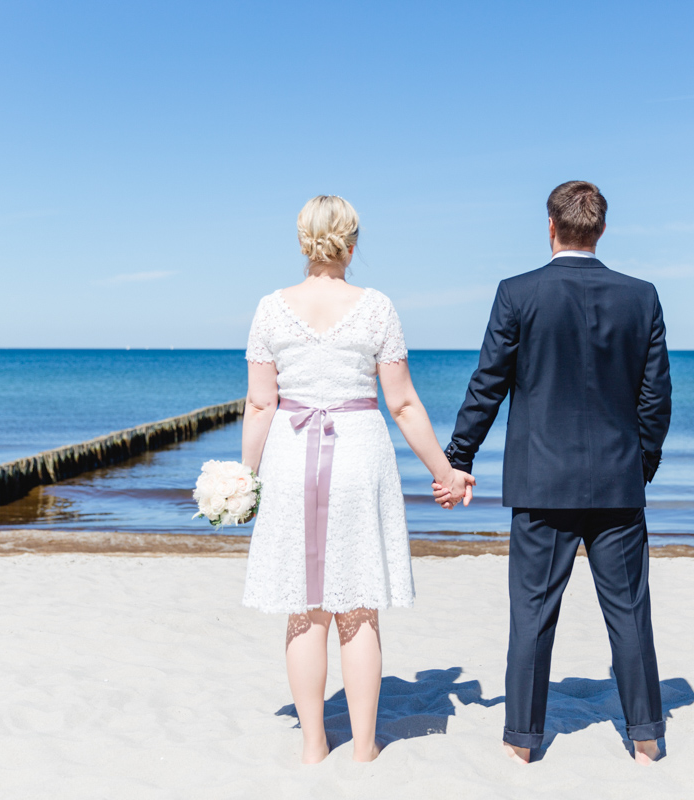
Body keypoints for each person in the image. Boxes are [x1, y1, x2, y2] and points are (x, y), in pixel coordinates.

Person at [434, 181, 672, 765]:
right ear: (602, 229)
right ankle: (646, 740)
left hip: (542, 484)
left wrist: (459, 458)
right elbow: (655, 398)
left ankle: (522, 743)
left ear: (550, 226)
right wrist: (639, 465)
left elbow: (488, 383)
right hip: (617, 483)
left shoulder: (518, 293)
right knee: (630, 614)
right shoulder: (641, 296)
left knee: (533, 616)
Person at [240, 195, 473, 764]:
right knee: (359, 607)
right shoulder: (376, 308)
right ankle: (365, 747)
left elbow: (259, 404)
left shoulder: (271, 308)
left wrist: (245, 478)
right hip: (358, 455)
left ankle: (314, 745)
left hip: (293, 457)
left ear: (303, 242)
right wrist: (445, 473)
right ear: (351, 243)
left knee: (306, 608)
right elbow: (404, 404)